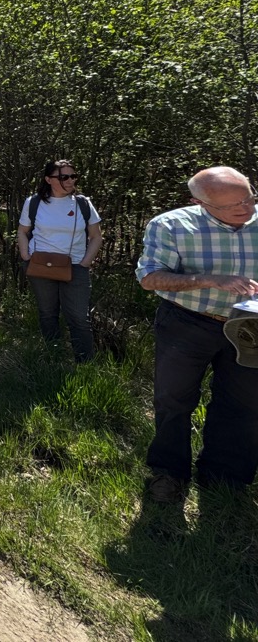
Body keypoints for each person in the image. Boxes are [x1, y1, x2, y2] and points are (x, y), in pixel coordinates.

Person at [136, 165, 258, 503]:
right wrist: (209, 279)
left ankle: (225, 478)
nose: (245, 209)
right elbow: (150, 278)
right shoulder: (171, 225)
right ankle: (169, 473)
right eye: (232, 206)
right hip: (188, 322)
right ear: (200, 203)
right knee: (173, 399)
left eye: (249, 199)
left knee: (244, 402)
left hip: (250, 326)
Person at [16, 160, 102, 362]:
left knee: (79, 318)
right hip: (40, 266)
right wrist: (26, 256)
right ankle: (54, 358)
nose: (70, 181)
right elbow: (22, 231)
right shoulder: (34, 202)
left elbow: (96, 236)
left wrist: (85, 263)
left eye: (73, 176)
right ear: (49, 180)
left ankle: (84, 364)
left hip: (75, 267)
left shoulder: (83, 203)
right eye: (64, 177)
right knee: (47, 313)